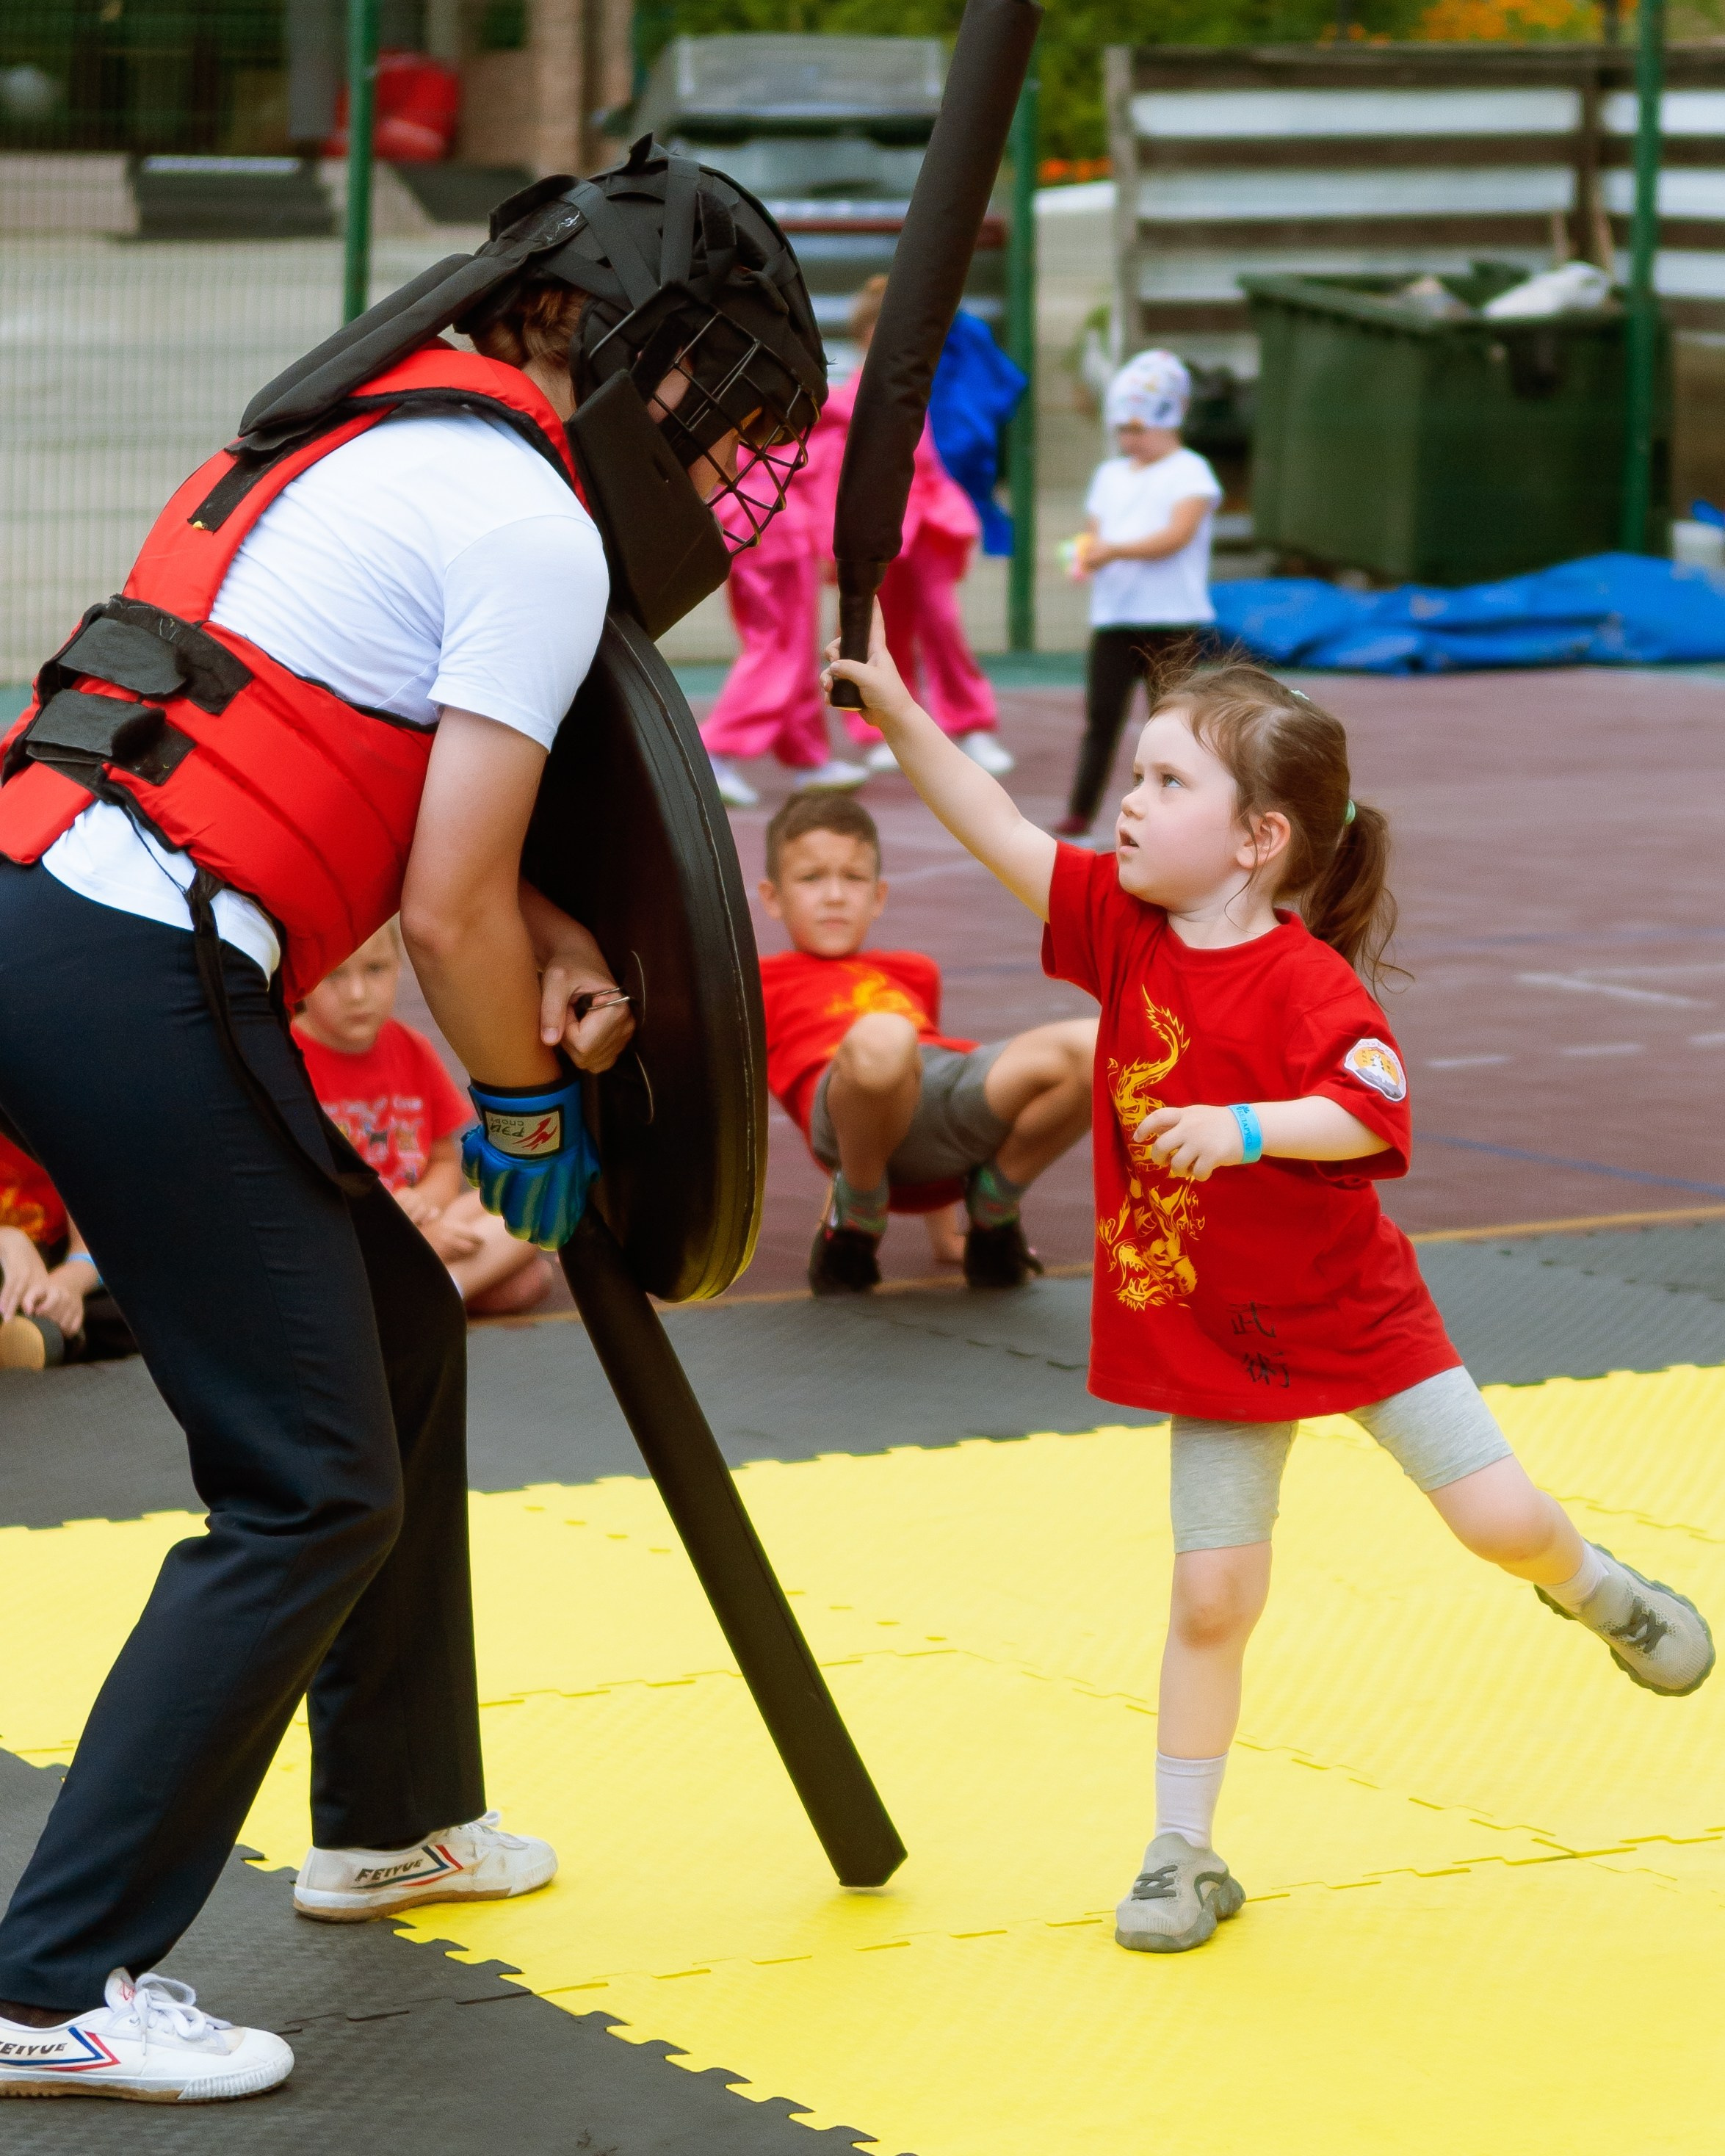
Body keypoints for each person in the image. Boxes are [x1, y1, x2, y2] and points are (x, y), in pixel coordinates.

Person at [0, 141, 825, 2099]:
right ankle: (56, 1979)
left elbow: (366, 801)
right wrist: (526, 1109)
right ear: (640, 353)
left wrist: (538, 941)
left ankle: (392, 1815)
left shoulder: (354, 441)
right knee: (308, 1484)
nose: (720, 450)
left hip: (57, 920)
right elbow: (448, 907)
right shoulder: (528, 522)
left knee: (393, 1323)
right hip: (138, 972)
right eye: (720, 398)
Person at [824, 629, 1715, 1958]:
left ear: (1257, 839)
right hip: (1210, 1339)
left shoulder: (1310, 981)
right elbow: (993, 823)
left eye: (1166, 783)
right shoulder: (1119, 934)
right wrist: (897, 711)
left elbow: (1364, 1109)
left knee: (1495, 1519)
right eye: (1133, 776)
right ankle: (1180, 1848)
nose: (1128, 803)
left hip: (1354, 1320)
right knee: (1208, 1599)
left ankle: (1592, 1587)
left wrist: (1242, 1130)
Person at [758, 791, 1095, 1295]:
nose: (834, 895)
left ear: (877, 896)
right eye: (811, 879)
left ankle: (994, 1205)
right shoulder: (758, 982)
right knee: (884, 1036)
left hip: (934, 1088)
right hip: (845, 1102)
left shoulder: (914, 970)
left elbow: (919, 1084)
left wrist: (944, 1241)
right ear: (773, 897)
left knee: (1100, 1043)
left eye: (852, 878)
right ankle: (859, 1211)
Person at [809, 277, 1013, 780]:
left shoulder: (926, 387)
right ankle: (878, 728)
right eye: (879, 329)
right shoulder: (844, 398)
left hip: (927, 523)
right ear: (862, 334)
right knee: (877, 629)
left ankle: (971, 726)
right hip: (873, 530)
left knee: (943, 623)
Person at [294, 925, 554, 1317]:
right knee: (519, 1280)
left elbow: (444, 1159)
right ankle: (433, 1293)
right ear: (301, 982)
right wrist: (400, 1231)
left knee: (533, 1207)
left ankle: (425, 1296)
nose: (357, 994)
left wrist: (423, 1207)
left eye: (376, 969)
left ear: (400, 967)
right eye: (333, 974)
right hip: (344, 1239)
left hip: (418, 1219)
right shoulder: (285, 1063)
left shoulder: (413, 1049)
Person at [1055, 350, 1222, 842]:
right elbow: (1092, 535)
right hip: (1116, 618)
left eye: (1137, 429)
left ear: (1167, 419)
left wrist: (1114, 550)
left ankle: (1182, 815)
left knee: (1173, 724)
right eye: (1121, 430)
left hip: (1170, 620)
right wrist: (1083, 556)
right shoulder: (1109, 476)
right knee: (1100, 721)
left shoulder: (1190, 472)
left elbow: (1177, 534)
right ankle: (1080, 813)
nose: (1127, 440)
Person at [701, 457, 869, 809]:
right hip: (779, 520)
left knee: (788, 647)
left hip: (748, 514)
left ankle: (808, 759)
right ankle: (715, 753)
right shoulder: (828, 406)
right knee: (780, 648)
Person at [0, 1131, 134, 1369]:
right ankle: (50, 1333)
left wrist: (71, 1279)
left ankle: (49, 1329)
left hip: (62, 1252)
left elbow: (97, 1199)